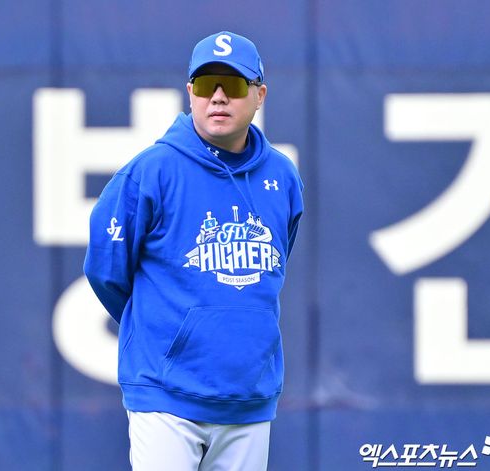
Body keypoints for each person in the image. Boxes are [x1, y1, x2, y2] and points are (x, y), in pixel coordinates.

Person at [84, 31, 304, 471]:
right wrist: (167, 332)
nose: (218, 97)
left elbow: (273, 267)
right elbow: (106, 271)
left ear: (259, 95)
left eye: (233, 84)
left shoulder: (282, 176)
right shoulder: (152, 170)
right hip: (165, 396)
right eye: (205, 85)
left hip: (248, 397)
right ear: (190, 93)